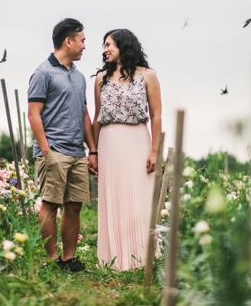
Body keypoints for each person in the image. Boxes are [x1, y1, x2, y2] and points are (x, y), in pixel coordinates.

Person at [27, 18, 98, 272]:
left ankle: (69, 259)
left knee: (75, 206)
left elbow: (84, 116)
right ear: (68, 41)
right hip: (54, 151)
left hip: (77, 152)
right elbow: (33, 114)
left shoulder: (79, 78)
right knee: (50, 204)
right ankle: (52, 260)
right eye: (82, 40)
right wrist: (46, 150)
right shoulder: (42, 73)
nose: (84, 46)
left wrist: (93, 150)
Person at [92, 28, 162, 270]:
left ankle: (141, 256)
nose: (105, 49)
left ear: (124, 46)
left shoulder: (148, 75)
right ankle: (113, 257)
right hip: (109, 142)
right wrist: (94, 152)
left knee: (138, 195)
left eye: (109, 44)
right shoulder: (100, 79)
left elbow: (156, 115)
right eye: (104, 45)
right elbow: (97, 118)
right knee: (114, 196)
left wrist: (155, 151)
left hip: (137, 140)